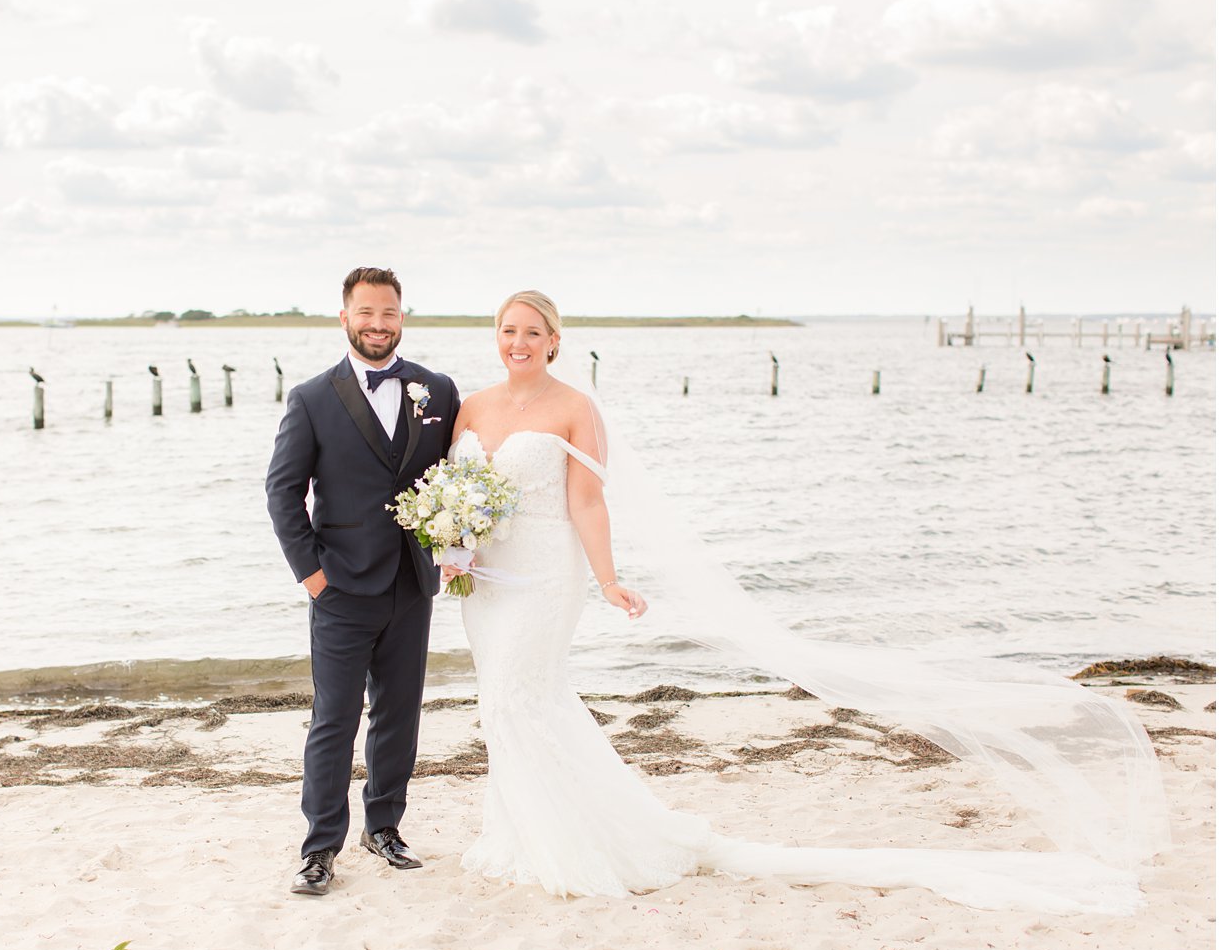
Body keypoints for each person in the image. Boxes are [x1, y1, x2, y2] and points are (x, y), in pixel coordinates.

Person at [444, 289, 1166, 912]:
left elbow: (588, 502)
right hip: (487, 582)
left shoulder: (575, 406)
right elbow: (455, 492)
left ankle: (567, 843)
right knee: (509, 701)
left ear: (556, 341)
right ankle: (519, 833)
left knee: (517, 694)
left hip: (547, 576)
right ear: (497, 337)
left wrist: (607, 580)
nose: (519, 343)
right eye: (509, 331)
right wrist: (452, 549)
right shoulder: (471, 405)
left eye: (532, 332)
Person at [265, 266, 461, 897]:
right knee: (334, 719)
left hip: (411, 583)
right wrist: (313, 577)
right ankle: (320, 847)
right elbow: (283, 492)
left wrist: (454, 550)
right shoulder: (312, 398)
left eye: (389, 314)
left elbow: (455, 480)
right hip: (341, 588)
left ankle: (385, 827)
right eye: (366, 314)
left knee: (399, 715)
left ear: (403, 318)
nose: (378, 325)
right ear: (344, 317)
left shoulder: (437, 390)